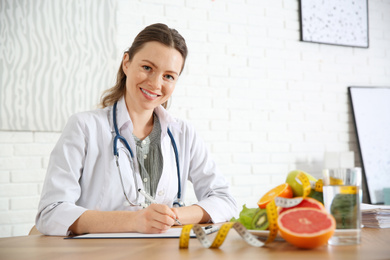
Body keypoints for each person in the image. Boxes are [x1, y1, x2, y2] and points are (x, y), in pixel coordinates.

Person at [36, 23, 238, 236]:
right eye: (147, 68)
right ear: (126, 63)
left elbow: (225, 200)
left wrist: (171, 215)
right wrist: (135, 220)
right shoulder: (84, 127)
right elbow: (51, 212)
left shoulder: (183, 133)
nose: (155, 83)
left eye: (168, 76)